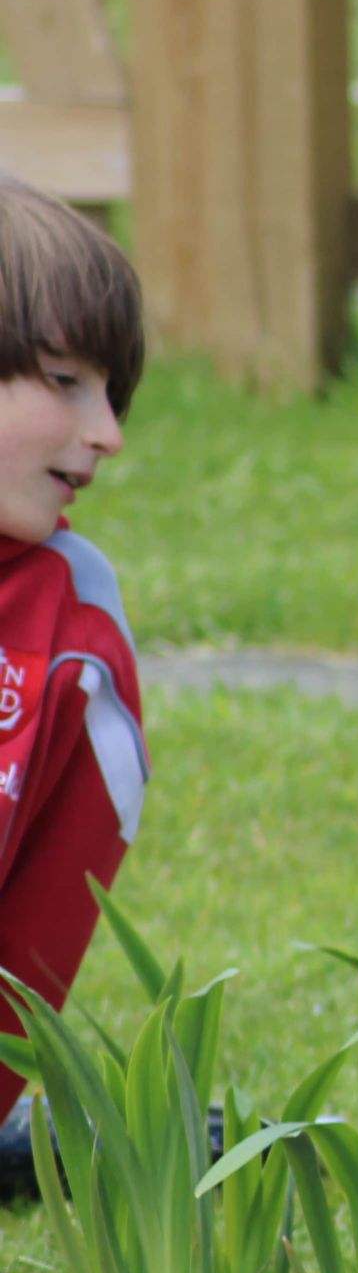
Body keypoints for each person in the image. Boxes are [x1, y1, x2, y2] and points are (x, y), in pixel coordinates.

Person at [0, 174, 148, 1192]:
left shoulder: (71, 627)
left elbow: (36, 933)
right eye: (64, 380)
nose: (108, 433)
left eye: (111, 391)